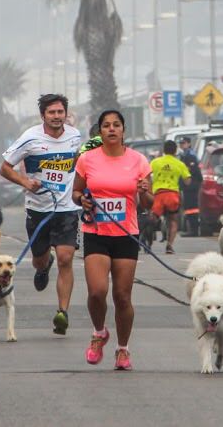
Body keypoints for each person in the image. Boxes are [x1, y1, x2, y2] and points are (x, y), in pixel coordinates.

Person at [72, 110, 153, 371]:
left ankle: (123, 349)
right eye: (106, 125)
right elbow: (75, 192)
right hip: (96, 232)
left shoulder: (139, 161)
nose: (111, 129)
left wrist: (144, 193)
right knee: (97, 292)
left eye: (116, 125)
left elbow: (149, 203)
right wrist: (81, 199)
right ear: (100, 131)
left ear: (123, 130)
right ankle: (99, 333)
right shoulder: (87, 160)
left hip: (126, 234)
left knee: (122, 296)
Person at [0, 94, 82, 335]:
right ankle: (44, 266)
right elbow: (4, 168)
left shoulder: (75, 136)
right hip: (38, 210)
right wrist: (25, 182)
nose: (57, 117)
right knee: (40, 259)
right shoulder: (30, 138)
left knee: (67, 258)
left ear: (66, 114)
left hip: (66, 209)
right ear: (43, 116)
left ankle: (62, 313)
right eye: (52, 113)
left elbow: (77, 164)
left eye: (60, 112)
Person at [148, 140, 192, 254]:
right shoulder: (179, 164)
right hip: (172, 195)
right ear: (175, 151)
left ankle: (148, 240)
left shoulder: (155, 162)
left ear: (163, 150)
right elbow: (187, 181)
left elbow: (146, 174)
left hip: (158, 195)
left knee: (152, 219)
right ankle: (169, 245)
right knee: (173, 221)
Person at [178, 137, 202, 237]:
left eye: (183, 143)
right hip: (187, 186)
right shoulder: (184, 155)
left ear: (188, 143)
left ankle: (194, 230)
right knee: (188, 208)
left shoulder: (190, 156)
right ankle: (191, 229)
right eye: (180, 143)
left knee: (192, 208)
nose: (181, 145)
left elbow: (193, 171)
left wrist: (189, 183)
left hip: (191, 186)